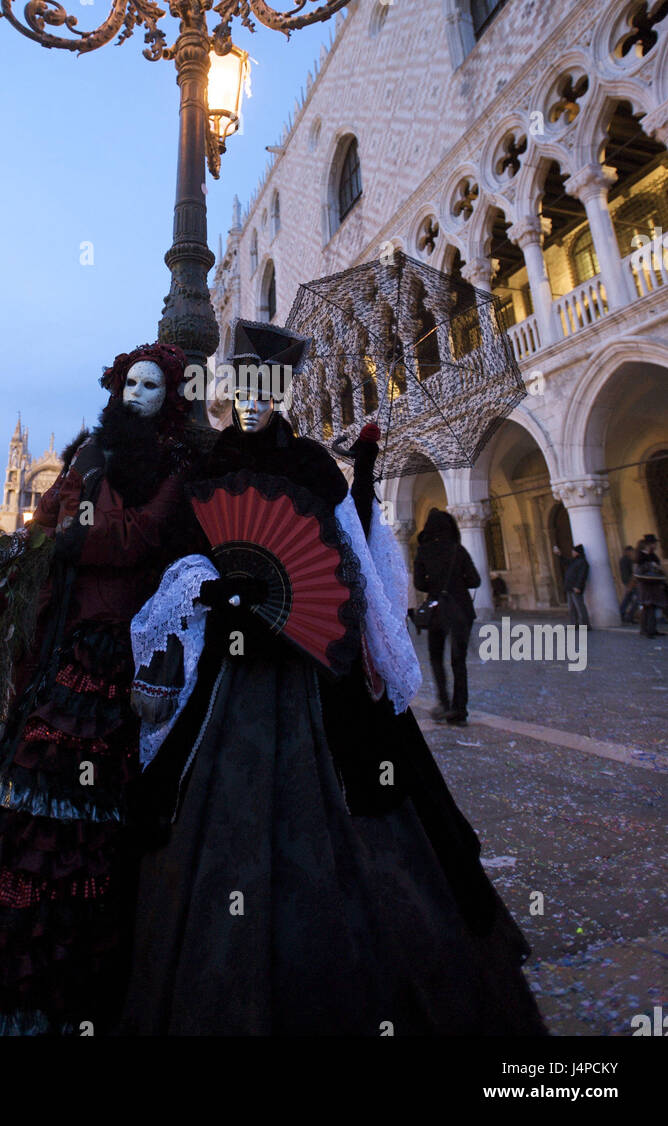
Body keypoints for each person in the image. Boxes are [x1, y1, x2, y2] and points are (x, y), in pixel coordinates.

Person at [119, 320, 546, 1038]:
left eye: (266, 390)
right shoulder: (206, 462)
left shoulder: (314, 465)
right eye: (242, 390)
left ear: (281, 393)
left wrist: (363, 485)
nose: (252, 404)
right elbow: (182, 556)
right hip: (229, 670)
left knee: (369, 807)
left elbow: (345, 559)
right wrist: (217, 587)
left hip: (315, 674)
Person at [0, 341, 206, 1037]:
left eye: (152, 385)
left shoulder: (166, 466)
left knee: (102, 826)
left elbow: (146, 547)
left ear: (171, 397)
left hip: (124, 660)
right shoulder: (90, 457)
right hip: (69, 665)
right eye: (129, 382)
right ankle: (9, 998)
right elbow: (65, 537)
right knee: (38, 826)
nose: (137, 393)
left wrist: (87, 535)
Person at [414, 508, 481, 726]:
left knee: (436, 658)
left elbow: (419, 584)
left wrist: (434, 585)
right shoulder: (457, 550)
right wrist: (457, 583)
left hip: (437, 612)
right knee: (458, 661)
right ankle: (459, 711)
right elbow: (475, 580)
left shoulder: (423, 552)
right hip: (460, 610)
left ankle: (443, 702)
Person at [634, 535, 667, 638]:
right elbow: (639, 571)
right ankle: (645, 630)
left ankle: (652, 629)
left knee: (652, 606)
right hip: (645, 585)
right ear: (649, 544)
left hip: (653, 585)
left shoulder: (652, 555)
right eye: (654, 543)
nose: (655, 545)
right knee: (647, 607)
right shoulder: (640, 556)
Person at [553, 543, 590, 627]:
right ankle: (574, 624)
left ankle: (585, 625)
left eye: (573, 551)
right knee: (572, 608)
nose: (572, 553)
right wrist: (559, 554)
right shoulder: (574, 561)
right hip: (569, 587)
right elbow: (565, 561)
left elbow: (582, 575)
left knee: (579, 607)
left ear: (577, 552)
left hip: (575, 588)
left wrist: (578, 586)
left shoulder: (582, 562)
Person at [618, 545, 638, 624]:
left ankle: (622, 613)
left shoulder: (624, 560)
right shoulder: (627, 560)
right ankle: (629, 615)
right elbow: (628, 573)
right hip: (631, 582)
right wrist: (630, 583)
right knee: (638, 599)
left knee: (628, 598)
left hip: (629, 582)